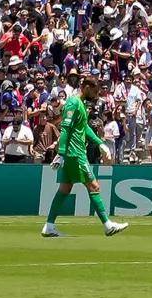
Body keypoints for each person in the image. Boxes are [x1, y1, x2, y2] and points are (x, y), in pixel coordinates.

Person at [39, 76, 124, 239]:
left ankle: (49, 226)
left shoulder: (81, 105)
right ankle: (107, 225)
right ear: (85, 87)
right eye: (94, 90)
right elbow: (65, 128)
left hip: (73, 152)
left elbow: (83, 126)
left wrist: (100, 143)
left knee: (65, 188)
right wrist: (61, 153)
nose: (95, 94)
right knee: (93, 186)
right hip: (75, 153)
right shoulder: (73, 103)